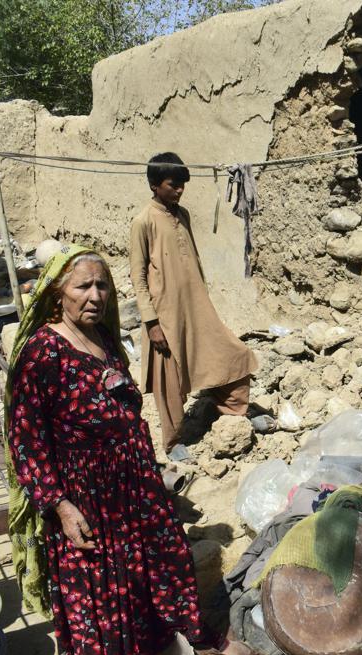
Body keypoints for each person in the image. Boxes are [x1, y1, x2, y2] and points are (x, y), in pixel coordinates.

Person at [4, 244, 242, 655]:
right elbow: (26, 442)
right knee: (104, 592)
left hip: (133, 489)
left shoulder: (104, 338)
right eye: (83, 286)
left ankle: (173, 644)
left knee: (157, 569)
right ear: (58, 294)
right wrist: (60, 506)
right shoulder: (43, 354)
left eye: (103, 285)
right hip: (87, 501)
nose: (95, 296)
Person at [129, 152, 258, 461]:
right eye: (173, 185)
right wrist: (151, 322)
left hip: (196, 308)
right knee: (170, 379)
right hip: (165, 314)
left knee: (233, 354)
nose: (179, 191)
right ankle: (173, 442)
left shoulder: (182, 214)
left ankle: (235, 412)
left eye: (182, 185)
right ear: (154, 184)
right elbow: (138, 274)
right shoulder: (143, 221)